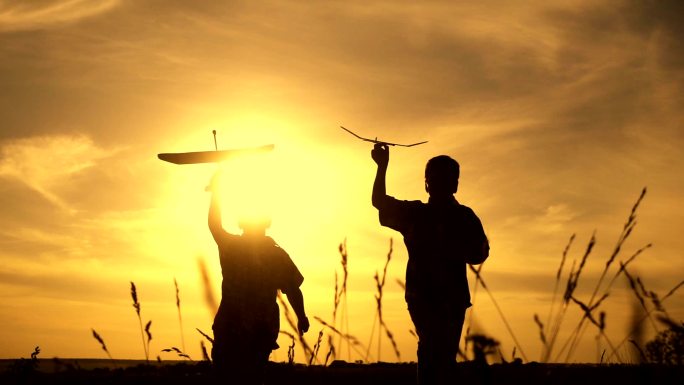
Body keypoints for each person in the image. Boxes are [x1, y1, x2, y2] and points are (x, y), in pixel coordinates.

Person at [370, 143, 489, 385]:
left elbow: (479, 253)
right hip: (432, 299)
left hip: (439, 299)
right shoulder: (449, 215)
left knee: (436, 354)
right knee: (438, 354)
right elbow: (379, 202)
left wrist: (382, 167)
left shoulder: (427, 215)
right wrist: (381, 166)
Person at [207, 171, 309, 384]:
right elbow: (293, 288)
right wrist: (301, 316)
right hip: (254, 326)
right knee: (251, 376)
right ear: (266, 224)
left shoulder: (232, 246)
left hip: (236, 325)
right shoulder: (276, 254)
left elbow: (214, 226)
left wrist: (216, 194)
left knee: (226, 376)